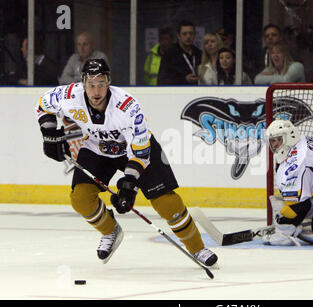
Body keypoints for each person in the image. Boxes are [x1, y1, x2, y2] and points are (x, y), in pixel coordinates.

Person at [34, 59, 218, 267]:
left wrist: (129, 184)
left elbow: (139, 152)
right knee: (81, 199)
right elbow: (43, 106)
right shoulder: (69, 96)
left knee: (166, 203)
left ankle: (198, 248)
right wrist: (49, 133)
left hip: (137, 151)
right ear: (83, 83)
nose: (96, 92)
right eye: (91, 85)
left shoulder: (127, 106)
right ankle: (110, 231)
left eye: (101, 84)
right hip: (96, 147)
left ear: (109, 82)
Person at [157, 20, 202, 85]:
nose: (188, 36)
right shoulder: (170, 53)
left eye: (191, 33)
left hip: (198, 92)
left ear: (195, 35)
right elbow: (162, 80)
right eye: (184, 34)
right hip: (177, 93)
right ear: (178, 35)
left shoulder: (198, 53)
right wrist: (184, 80)